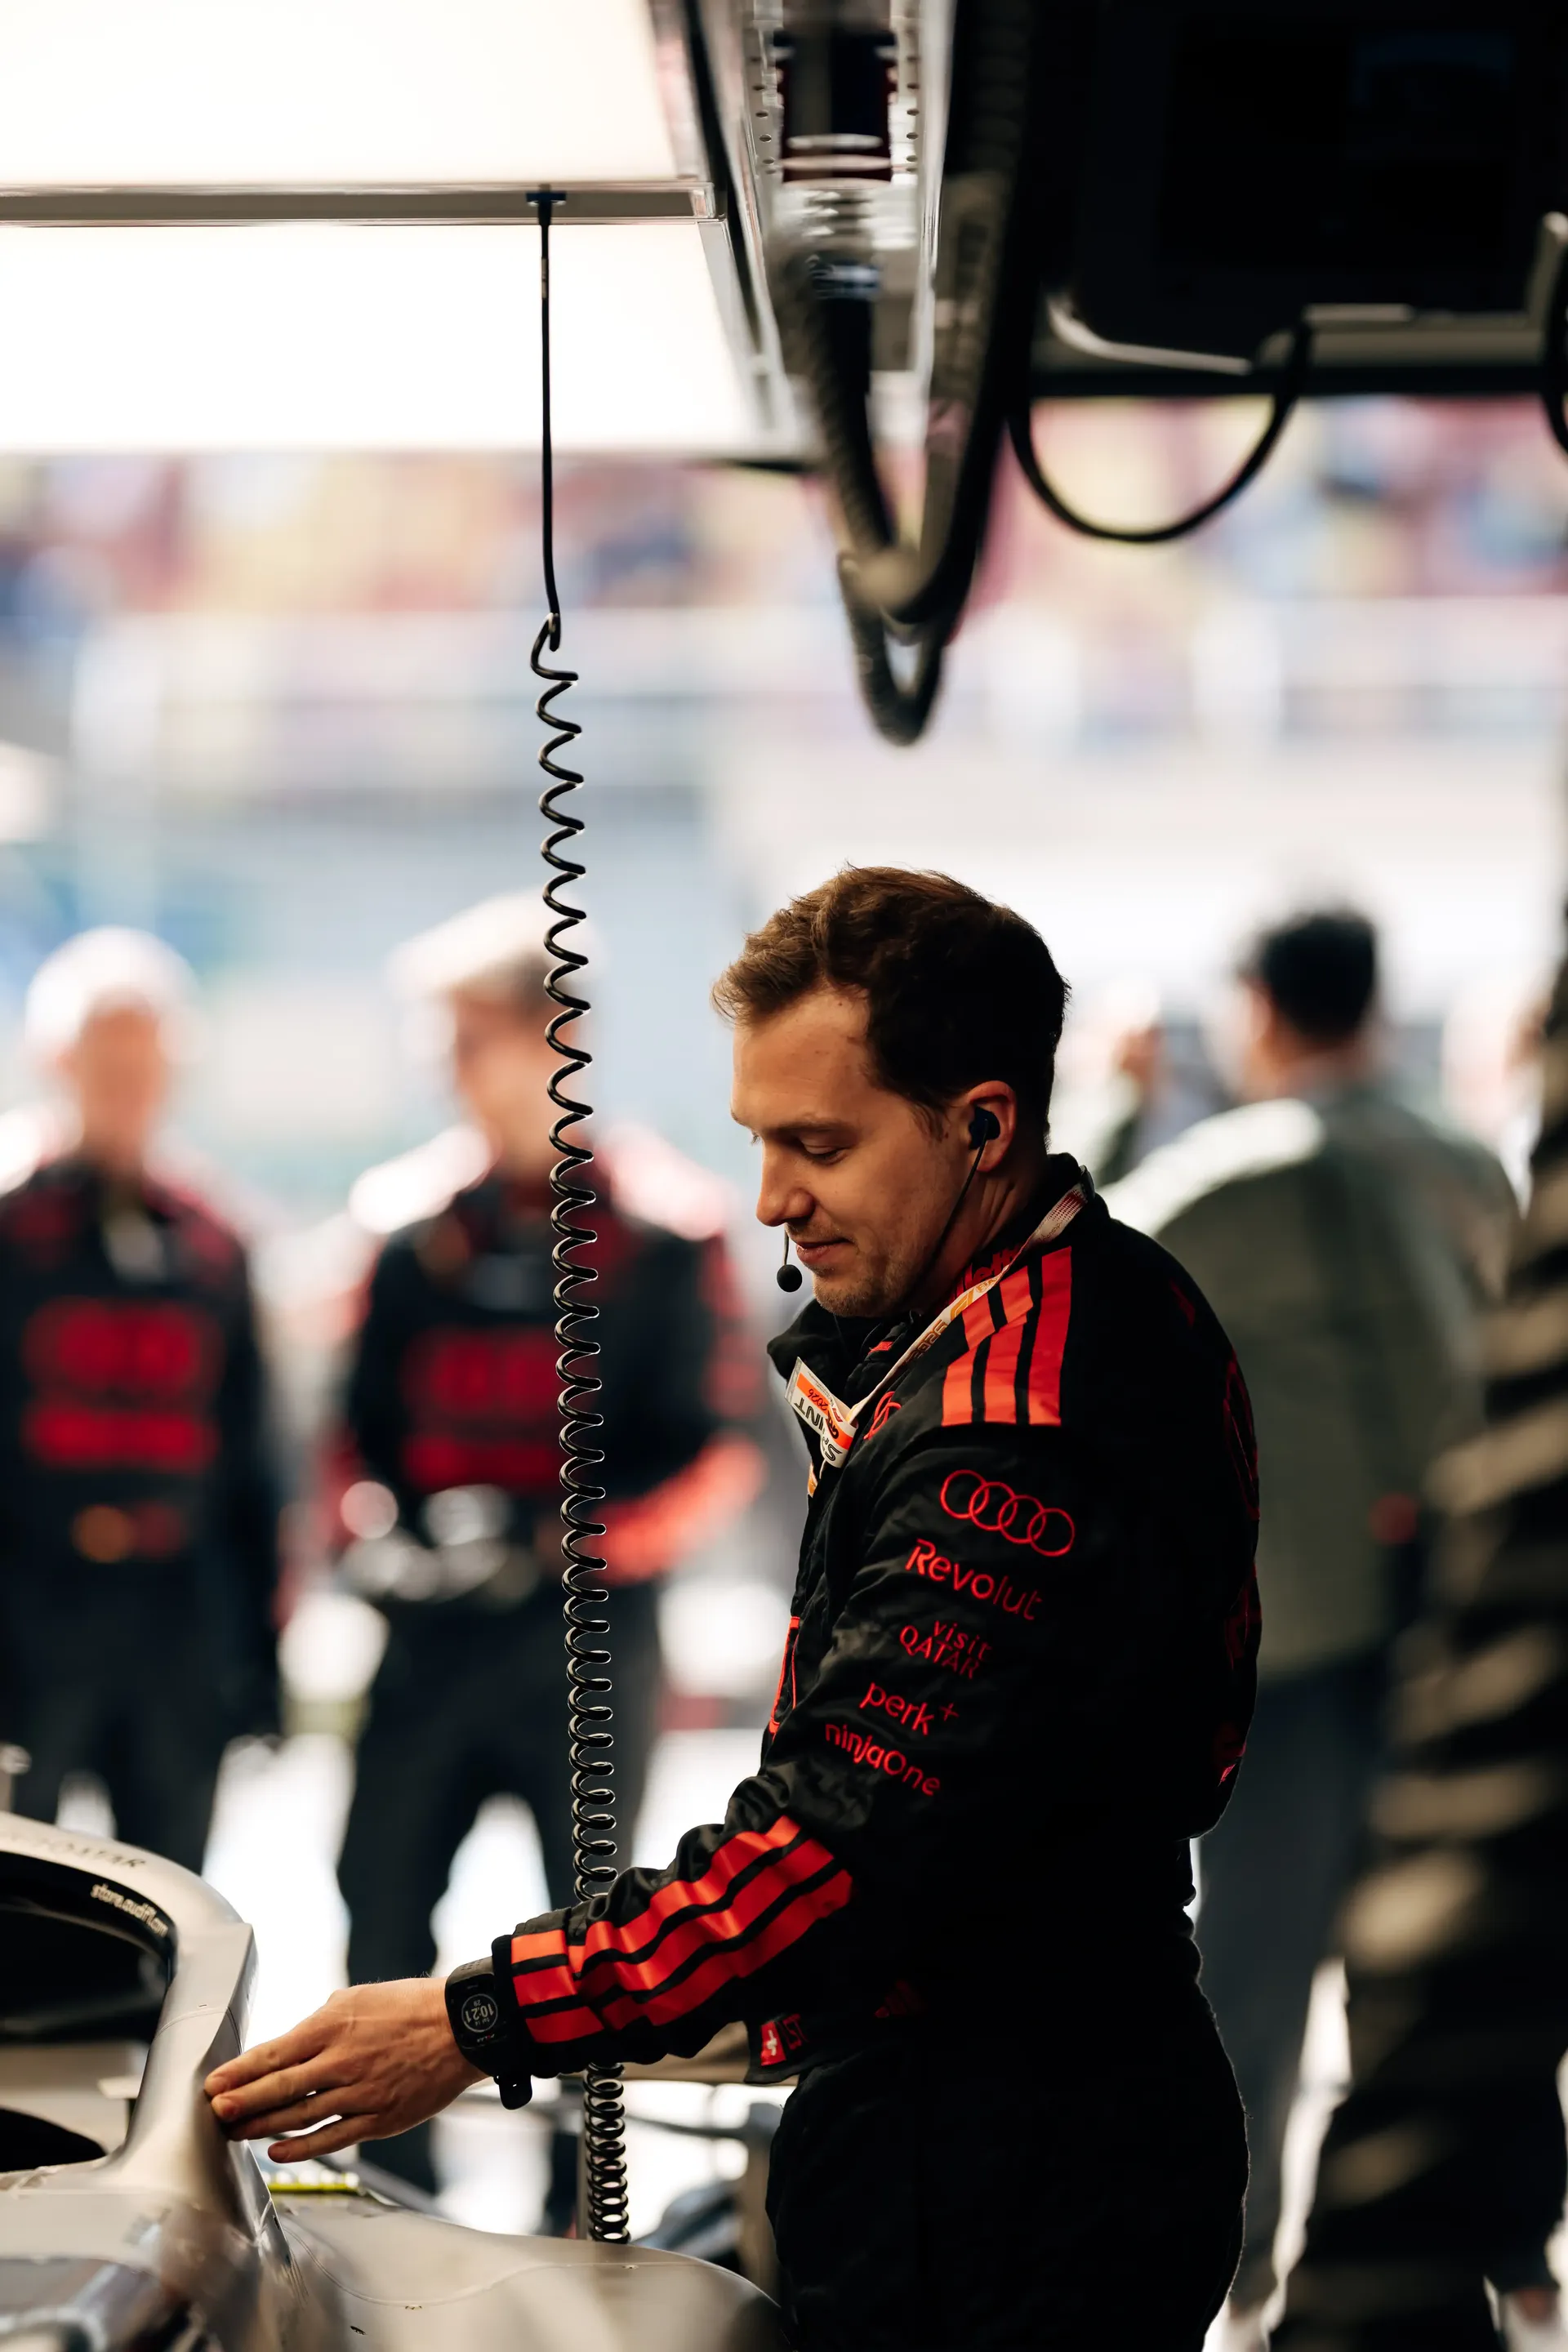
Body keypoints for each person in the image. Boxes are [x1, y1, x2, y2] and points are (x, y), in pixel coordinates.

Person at [207, 866, 1260, 2351]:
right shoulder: (1088, 1297)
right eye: (761, 1142)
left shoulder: (1012, 1423)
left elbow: (829, 1851)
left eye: (817, 1146)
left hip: (1009, 2174)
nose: (772, 1198)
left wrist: (472, 2021)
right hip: (1015, 2109)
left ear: (983, 1124)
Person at [1106, 909, 1517, 2350]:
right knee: (1458, 1957)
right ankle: (1498, 2253)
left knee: (1258, 1979)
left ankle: (1242, 2271)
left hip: (1303, 1640)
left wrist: (1113, 1100)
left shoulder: (1246, 1166)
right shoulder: (1466, 1159)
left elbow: (1058, 1274)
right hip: (1468, 1628)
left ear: (1262, 1010)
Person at [326, 893, 761, 2204]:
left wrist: (566, 1544)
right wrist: (385, 1539)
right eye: (441, 1043)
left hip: (588, 1641)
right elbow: (350, 1443)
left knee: (591, 1945)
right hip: (428, 1640)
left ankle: (592, 2206)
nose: (449, 1069)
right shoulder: (405, 1229)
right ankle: (390, 2199)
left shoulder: (668, 1234)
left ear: (555, 1037)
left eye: (470, 1038)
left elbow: (723, 1451)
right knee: (378, 1903)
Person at [0, 929, 281, 1873]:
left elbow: (251, 1458)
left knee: (167, 1904)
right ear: (57, 1063)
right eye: (105, 1062)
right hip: (28, 1616)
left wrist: (260, 1659)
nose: (127, 1086)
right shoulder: (11, 1223)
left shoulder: (212, 1239)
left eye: (146, 1065)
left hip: (174, 1624)